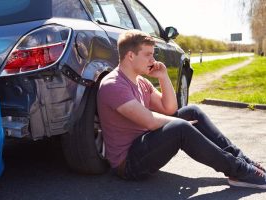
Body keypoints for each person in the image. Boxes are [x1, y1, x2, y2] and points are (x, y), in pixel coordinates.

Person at [97, 29, 266, 189]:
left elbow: (169, 108)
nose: (153, 60)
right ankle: (240, 171)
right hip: (128, 164)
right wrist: (182, 124)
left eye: (153, 54)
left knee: (192, 111)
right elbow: (149, 121)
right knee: (181, 127)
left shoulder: (141, 81)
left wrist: (163, 76)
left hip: (144, 145)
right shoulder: (113, 85)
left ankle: (243, 160)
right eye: (148, 55)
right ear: (131, 56)